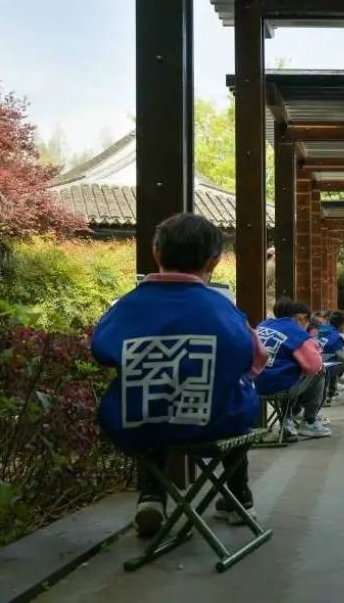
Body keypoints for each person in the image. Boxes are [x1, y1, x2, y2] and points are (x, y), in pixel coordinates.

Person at [91, 213, 265, 537]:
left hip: (135, 425)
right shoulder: (222, 309)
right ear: (214, 262)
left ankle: (152, 496)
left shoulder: (127, 306)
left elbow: (101, 350)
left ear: (156, 253)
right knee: (238, 399)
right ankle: (239, 499)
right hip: (213, 425)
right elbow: (255, 359)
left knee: (154, 403)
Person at [256, 298, 331, 439]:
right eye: (308, 323)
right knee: (319, 371)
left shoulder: (263, 325)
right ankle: (309, 421)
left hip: (253, 384)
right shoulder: (298, 334)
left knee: (287, 370)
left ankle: (288, 420)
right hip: (279, 386)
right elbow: (314, 366)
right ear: (301, 317)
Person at [265, 247, 276, 317]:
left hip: (270, 293)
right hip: (270, 294)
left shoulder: (270, 264)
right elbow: (266, 280)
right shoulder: (270, 265)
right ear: (272, 255)